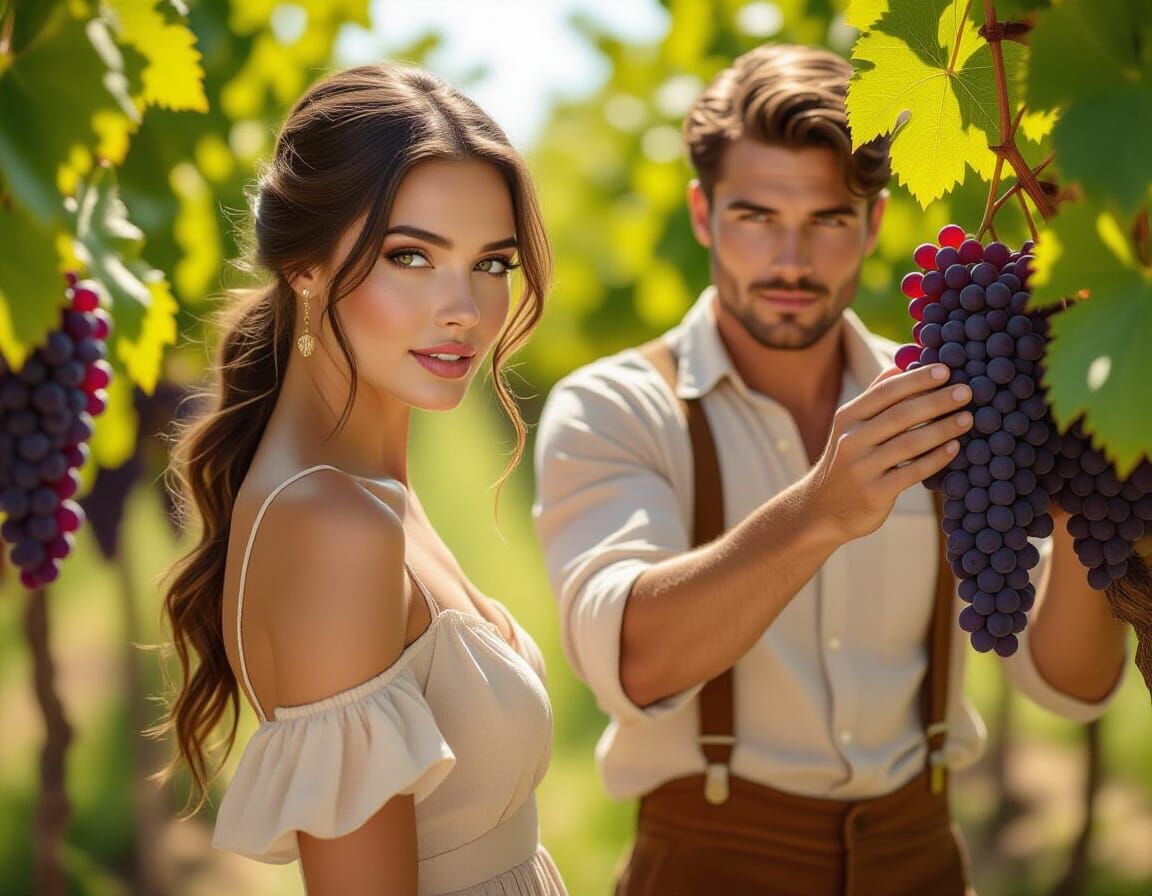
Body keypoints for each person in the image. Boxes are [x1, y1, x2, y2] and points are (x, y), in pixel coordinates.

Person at [533, 43, 1126, 895]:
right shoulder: (614, 407)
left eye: (828, 219)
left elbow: (1070, 686)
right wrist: (817, 513)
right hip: (706, 872)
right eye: (755, 216)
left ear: (874, 225)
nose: (791, 259)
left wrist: (1079, 498)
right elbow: (630, 662)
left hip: (923, 863)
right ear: (702, 213)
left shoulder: (951, 391)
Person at [155, 63, 565, 896]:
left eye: (493, 264)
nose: (466, 309)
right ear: (303, 265)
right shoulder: (334, 525)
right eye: (411, 256)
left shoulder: (362, 491)